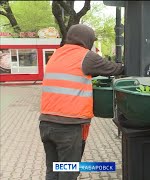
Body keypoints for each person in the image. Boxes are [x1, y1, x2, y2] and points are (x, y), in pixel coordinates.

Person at [39, 24, 124, 180]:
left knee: (53, 170)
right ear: (87, 40)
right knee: (68, 173)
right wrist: (125, 66)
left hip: (46, 124)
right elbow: (114, 69)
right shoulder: (85, 56)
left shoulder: (56, 54)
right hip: (68, 128)